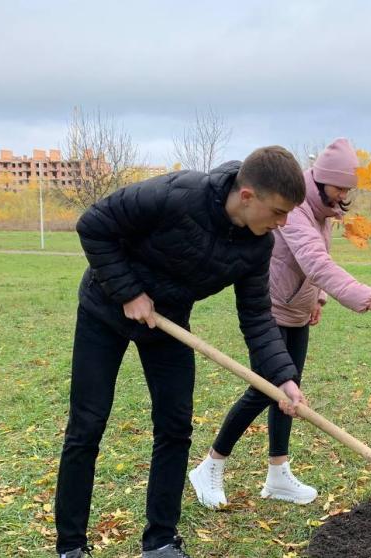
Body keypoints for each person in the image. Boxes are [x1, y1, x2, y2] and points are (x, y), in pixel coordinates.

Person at [55, 146, 309, 558]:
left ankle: (160, 540)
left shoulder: (257, 245)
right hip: (104, 309)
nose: (282, 223)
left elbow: (258, 316)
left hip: (167, 323)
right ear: (247, 196)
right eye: (278, 212)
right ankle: (71, 546)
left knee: (175, 426)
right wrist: (129, 292)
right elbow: (94, 225)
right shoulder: (176, 194)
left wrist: (283, 377)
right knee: (87, 424)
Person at [189, 138, 371, 508]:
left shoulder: (324, 209)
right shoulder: (298, 207)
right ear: (320, 181)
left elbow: (315, 260)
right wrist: (368, 298)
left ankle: (277, 474)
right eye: (339, 188)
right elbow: (314, 260)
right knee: (265, 390)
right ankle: (210, 465)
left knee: (289, 394)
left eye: (348, 189)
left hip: (297, 309)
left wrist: (317, 297)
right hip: (270, 309)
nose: (343, 196)